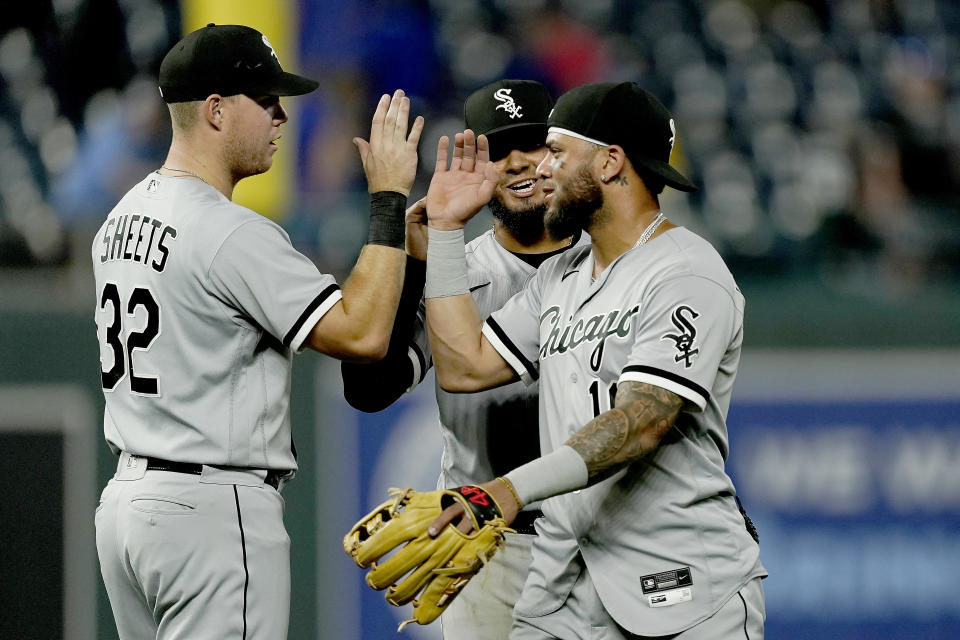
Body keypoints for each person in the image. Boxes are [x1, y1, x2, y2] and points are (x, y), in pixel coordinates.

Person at [92, 24, 422, 639]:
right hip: (212, 511)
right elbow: (362, 335)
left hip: (128, 510)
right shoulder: (229, 232)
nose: (281, 116)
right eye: (265, 101)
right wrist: (388, 199)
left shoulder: (121, 214)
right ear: (215, 111)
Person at [421, 82, 767, 639]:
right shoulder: (561, 277)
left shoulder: (685, 273)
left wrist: (507, 489)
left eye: (557, 152)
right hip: (565, 589)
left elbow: (642, 421)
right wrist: (443, 231)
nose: (543, 170)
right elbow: (465, 366)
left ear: (610, 162)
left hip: (680, 585)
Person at [341, 79, 584, 639]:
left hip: (603, 541)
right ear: (474, 164)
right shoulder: (453, 271)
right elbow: (370, 390)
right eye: (499, 151)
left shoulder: (610, 265)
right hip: (498, 545)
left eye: (535, 144)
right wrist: (416, 269)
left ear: (562, 153)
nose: (520, 162)